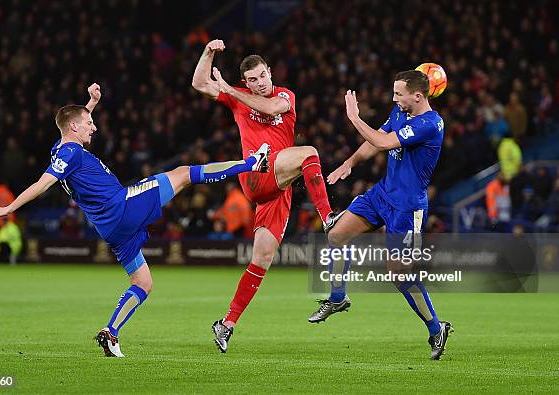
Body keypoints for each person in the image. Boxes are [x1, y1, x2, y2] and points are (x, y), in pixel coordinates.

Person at [0, 83, 271, 358]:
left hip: (109, 228)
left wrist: (92, 104)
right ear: (74, 127)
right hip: (121, 206)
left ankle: (111, 332)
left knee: (143, 282)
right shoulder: (70, 152)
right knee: (184, 173)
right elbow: (42, 183)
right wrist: (10, 207)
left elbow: (72, 123)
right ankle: (252, 163)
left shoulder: (62, 148)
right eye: (89, 123)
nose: (93, 127)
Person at [192, 39, 339, 353]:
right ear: (246, 81)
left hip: (278, 186)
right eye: (253, 80)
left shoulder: (284, 95)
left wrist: (233, 91)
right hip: (256, 173)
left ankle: (226, 324)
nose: (260, 83)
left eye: (263, 76)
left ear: (270, 72)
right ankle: (329, 219)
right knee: (309, 153)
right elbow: (199, 82)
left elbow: (273, 107)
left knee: (262, 258)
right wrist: (208, 53)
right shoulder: (239, 97)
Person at [308, 71, 452, 360]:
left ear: (418, 96)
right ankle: (338, 299)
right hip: (383, 194)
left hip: (408, 208)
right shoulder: (401, 111)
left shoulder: (430, 124)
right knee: (336, 234)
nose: (394, 98)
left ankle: (437, 328)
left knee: (399, 273)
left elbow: (386, 143)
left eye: (399, 93)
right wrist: (349, 162)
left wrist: (354, 118)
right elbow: (377, 140)